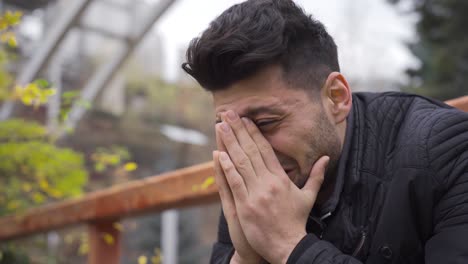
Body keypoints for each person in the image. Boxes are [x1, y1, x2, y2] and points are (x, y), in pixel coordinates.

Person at [181, 0, 468, 263]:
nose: (252, 149)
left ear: (336, 97)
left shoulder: (450, 151)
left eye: (267, 122)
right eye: (230, 128)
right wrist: (247, 259)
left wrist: (290, 246)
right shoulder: (253, 179)